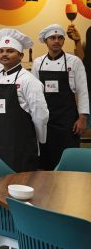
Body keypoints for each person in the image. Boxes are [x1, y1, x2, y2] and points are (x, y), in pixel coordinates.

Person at [0, 29, 49, 172]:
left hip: (20, 145)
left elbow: (40, 115)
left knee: (20, 181)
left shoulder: (29, 80)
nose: (4, 54)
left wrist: (39, 140)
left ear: (21, 55)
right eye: (1, 51)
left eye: (10, 51)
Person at [32, 24, 88, 170]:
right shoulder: (38, 63)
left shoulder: (74, 61)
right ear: (46, 41)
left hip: (68, 120)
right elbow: (34, 93)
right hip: (46, 120)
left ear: (63, 40)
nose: (56, 41)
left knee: (69, 157)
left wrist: (82, 118)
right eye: (52, 38)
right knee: (46, 159)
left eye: (60, 38)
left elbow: (82, 91)